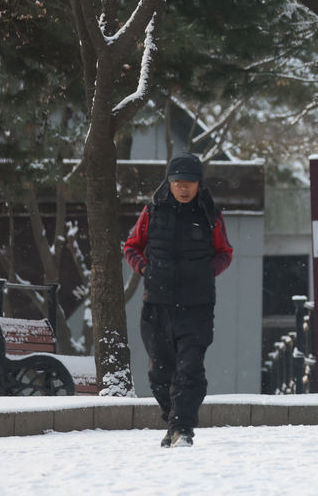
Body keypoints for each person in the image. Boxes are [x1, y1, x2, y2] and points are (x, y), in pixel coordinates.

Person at [123, 153, 233, 447]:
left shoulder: (211, 213)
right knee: (160, 371)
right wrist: (145, 268)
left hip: (198, 306)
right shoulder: (153, 211)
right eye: (177, 182)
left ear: (199, 184)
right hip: (157, 304)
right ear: (169, 183)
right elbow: (131, 246)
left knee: (190, 368)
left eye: (189, 182)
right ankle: (172, 423)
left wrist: (208, 272)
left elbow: (226, 253)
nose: (183, 188)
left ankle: (182, 428)